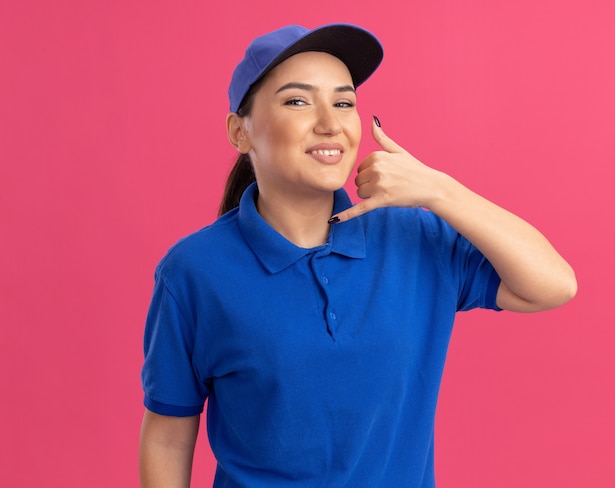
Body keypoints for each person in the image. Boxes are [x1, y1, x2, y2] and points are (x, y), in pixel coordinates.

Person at [139, 23, 577, 488]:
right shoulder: (193, 273)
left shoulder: (414, 237)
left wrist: (439, 191)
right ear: (239, 132)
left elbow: (553, 285)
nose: (330, 123)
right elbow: (168, 436)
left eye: (344, 102)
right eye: (297, 101)